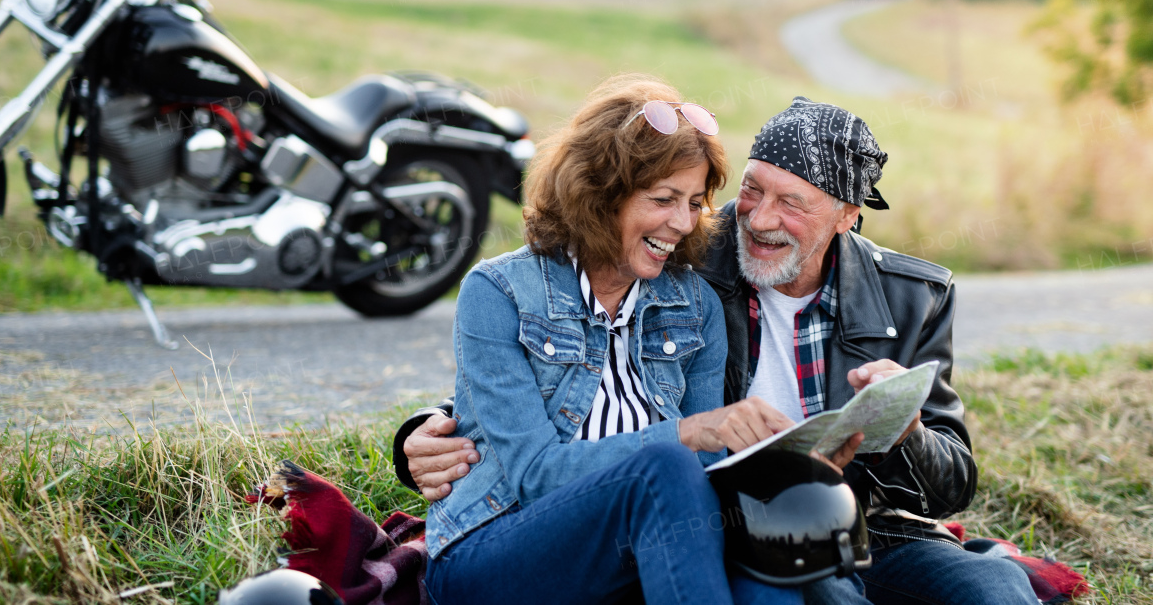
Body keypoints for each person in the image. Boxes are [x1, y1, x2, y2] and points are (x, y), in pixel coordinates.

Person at [396, 98, 1039, 605]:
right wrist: (418, 434)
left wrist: (903, 428)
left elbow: (953, 484)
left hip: (854, 519)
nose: (757, 219)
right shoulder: (694, 262)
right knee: (740, 529)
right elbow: (542, 387)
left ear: (846, 216)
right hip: (702, 518)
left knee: (992, 591)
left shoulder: (911, 296)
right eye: (753, 191)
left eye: (792, 203)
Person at [419, 77, 847, 605]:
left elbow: (709, 475)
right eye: (664, 199)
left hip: (638, 550)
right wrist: (689, 434)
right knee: (665, 467)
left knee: (763, 575)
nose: (682, 223)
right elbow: (535, 474)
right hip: (498, 545)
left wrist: (790, 464)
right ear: (601, 194)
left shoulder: (694, 306)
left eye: (694, 202)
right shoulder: (499, 293)